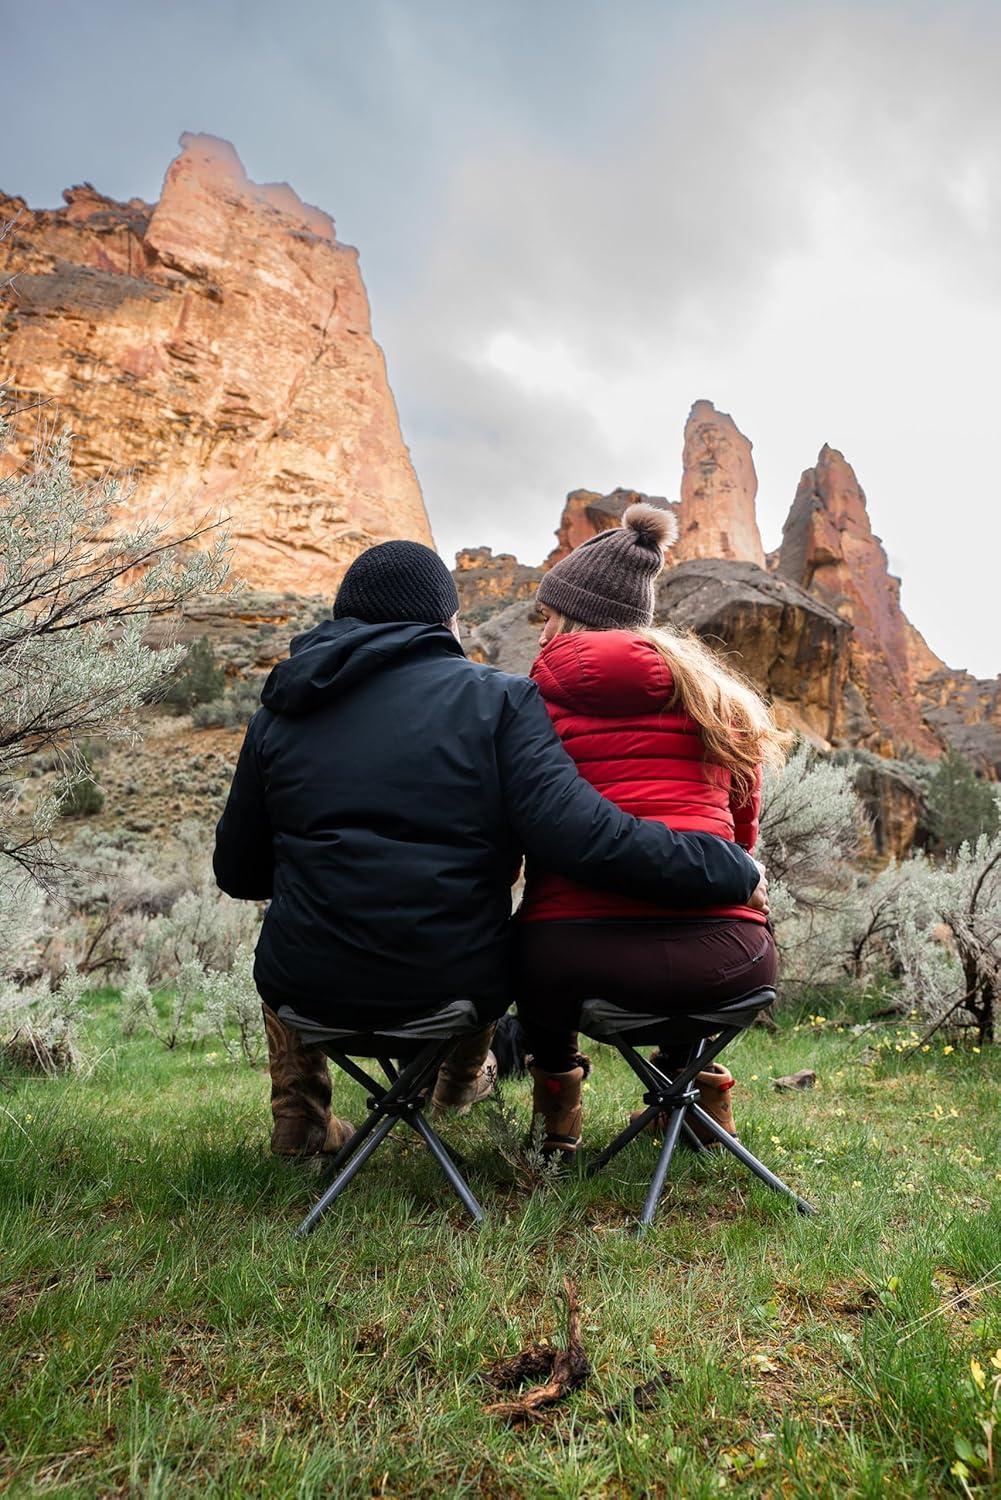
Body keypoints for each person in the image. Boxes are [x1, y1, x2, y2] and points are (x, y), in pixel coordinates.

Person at [213, 539, 767, 1160]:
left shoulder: (280, 710)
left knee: (288, 932)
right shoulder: (498, 699)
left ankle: (301, 1120)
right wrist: (726, 864)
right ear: (447, 622)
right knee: (492, 931)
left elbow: (238, 872)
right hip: (451, 984)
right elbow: (576, 833)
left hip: (308, 988)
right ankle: (455, 1090)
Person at [515, 503, 788, 1157]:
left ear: (571, 616)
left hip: (571, 962)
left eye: (548, 615)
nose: (542, 632)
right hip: (729, 962)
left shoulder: (527, 703)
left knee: (531, 949)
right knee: (699, 943)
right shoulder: (718, 701)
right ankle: (692, 1090)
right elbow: (740, 839)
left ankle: (558, 1107)